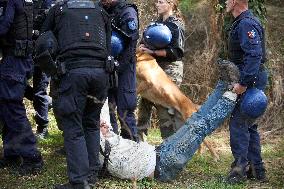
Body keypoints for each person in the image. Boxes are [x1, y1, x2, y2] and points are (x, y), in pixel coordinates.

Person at [98, 60, 239, 181]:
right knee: (199, 127)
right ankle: (231, 97)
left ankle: (224, 84)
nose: (103, 125)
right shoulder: (92, 145)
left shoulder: (97, 131)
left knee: (195, 119)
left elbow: (100, 104)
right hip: (163, 164)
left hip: (159, 151)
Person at [40, 0, 112, 188]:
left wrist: (53, 71)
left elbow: (43, 42)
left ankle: (79, 182)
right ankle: (91, 176)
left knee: (73, 126)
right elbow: (109, 43)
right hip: (100, 74)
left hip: (74, 74)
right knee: (90, 123)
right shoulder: (100, 10)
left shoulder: (59, 9)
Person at [225, 0, 268, 184]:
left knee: (239, 125)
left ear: (235, 1)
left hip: (251, 80)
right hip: (254, 77)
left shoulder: (246, 23)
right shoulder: (245, 21)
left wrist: (243, 83)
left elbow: (254, 55)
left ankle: (239, 171)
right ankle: (257, 171)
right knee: (249, 126)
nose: (225, 2)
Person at [0, 0, 43, 175]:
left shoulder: (11, 1)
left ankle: (32, 156)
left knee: (12, 107)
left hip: (15, 60)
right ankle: (12, 152)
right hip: (19, 59)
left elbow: (3, 27)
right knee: (6, 106)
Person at [137, 0, 185, 139]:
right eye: (157, 2)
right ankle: (139, 141)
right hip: (152, 68)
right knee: (145, 102)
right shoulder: (155, 24)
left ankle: (169, 145)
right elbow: (144, 42)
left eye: (161, 2)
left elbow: (177, 52)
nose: (157, 4)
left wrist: (153, 52)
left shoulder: (176, 25)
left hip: (170, 69)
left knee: (165, 107)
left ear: (170, 4)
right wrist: (141, 48)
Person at [99, 0, 139, 141]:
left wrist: (118, 65)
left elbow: (131, 42)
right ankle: (112, 143)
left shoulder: (127, 11)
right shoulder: (101, 8)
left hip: (124, 65)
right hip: (106, 65)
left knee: (126, 108)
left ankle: (132, 143)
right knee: (108, 108)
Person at [24, 0, 55, 139]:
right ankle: (48, 102)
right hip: (27, 52)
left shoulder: (52, 4)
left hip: (44, 53)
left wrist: (34, 32)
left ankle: (42, 129)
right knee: (17, 84)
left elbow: (52, 29)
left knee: (40, 90)